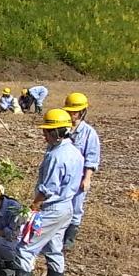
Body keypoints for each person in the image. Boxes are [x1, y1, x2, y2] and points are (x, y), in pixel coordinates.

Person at [0, 109, 84, 276]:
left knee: (26, 248)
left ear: (57, 132)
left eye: (47, 131)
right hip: (66, 207)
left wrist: (33, 206)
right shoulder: (74, 152)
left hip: (51, 209)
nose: (44, 135)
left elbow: (48, 188)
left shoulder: (57, 156)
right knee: (54, 248)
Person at [62, 92, 100, 251]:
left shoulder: (89, 133)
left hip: (78, 177)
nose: (72, 114)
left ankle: (69, 237)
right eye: (70, 111)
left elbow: (92, 157)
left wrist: (87, 178)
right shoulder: (62, 128)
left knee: (76, 207)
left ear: (83, 111)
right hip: (63, 175)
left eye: (75, 111)